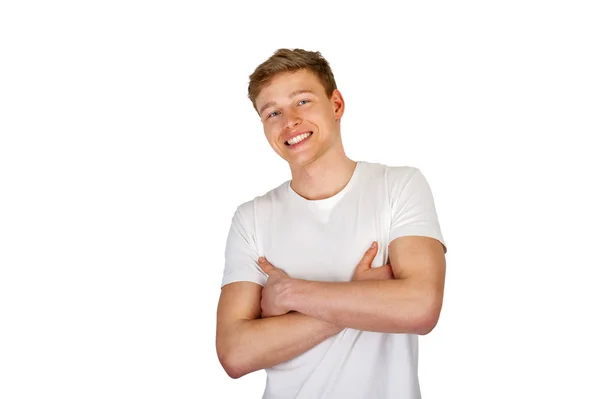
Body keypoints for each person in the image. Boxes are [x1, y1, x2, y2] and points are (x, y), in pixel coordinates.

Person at [216, 48, 447, 399]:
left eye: (303, 101)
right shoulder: (251, 218)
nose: (289, 121)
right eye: (272, 112)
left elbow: (420, 308)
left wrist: (290, 294)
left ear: (336, 104)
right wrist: (363, 295)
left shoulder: (398, 186)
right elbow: (234, 353)